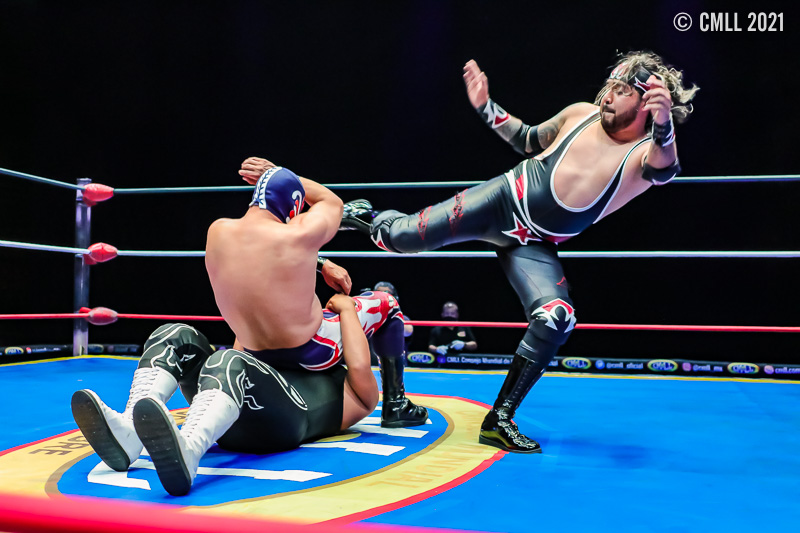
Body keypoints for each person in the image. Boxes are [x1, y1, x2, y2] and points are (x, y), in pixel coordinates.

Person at [341, 51, 698, 453]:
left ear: (646, 102)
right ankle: (362, 215)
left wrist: (664, 123)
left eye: (622, 91)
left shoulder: (641, 154)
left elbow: (664, 170)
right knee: (399, 238)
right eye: (610, 86)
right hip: (502, 200)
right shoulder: (580, 114)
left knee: (557, 317)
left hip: (535, 242)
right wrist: (485, 106)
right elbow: (527, 139)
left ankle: (500, 419)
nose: (608, 97)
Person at [72, 160, 427, 496]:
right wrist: (346, 306)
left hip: (252, 408)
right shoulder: (299, 239)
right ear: (293, 208)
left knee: (217, 356)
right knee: (181, 338)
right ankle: (136, 434)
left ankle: (186, 443)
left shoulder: (218, 232)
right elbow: (330, 204)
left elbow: (262, 255)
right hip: (261, 409)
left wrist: (276, 185)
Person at [373, 281, 414, 352]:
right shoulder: (369, 316)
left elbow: (408, 331)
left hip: (394, 356)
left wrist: (389, 315)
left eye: (386, 293)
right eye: (379, 293)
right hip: (371, 356)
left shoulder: (400, 317)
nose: (382, 297)